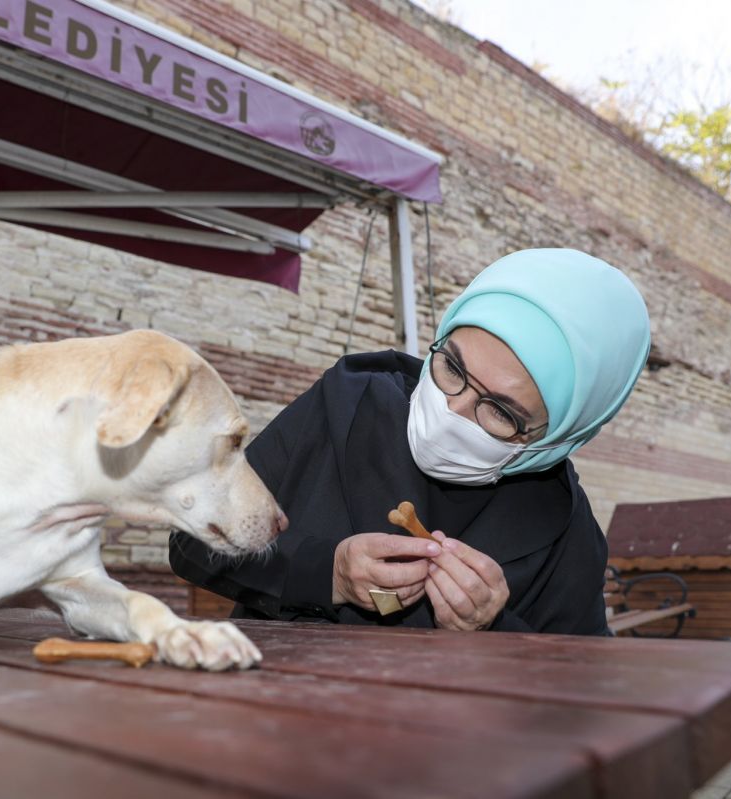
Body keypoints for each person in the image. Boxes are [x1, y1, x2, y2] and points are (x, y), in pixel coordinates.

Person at [169, 248, 650, 634]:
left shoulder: (564, 530)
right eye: (453, 367)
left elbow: (578, 691)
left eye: (502, 412)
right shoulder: (345, 403)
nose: (452, 410)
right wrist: (327, 572)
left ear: (558, 438)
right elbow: (190, 542)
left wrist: (497, 628)